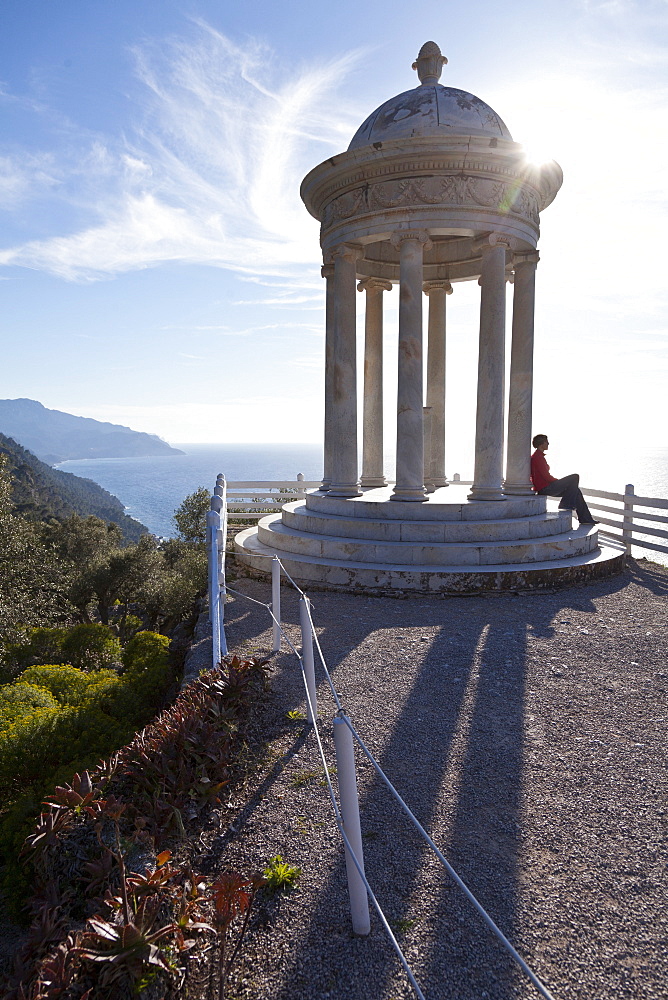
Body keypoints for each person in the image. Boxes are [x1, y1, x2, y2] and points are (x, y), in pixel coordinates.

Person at [530, 434, 597, 525]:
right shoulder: (538, 457)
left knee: (576, 491)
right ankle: (566, 504)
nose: (548, 443)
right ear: (541, 444)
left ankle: (586, 519)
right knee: (575, 477)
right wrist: (558, 482)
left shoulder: (538, 456)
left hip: (546, 487)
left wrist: (559, 483)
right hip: (545, 488)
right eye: (546, 442)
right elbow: (546, 476)